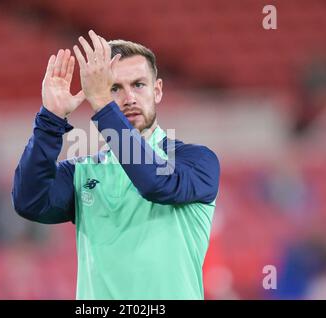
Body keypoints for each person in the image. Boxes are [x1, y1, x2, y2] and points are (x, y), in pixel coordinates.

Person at [12, 30, 220, 299]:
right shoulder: (83, 172)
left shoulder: (197, 161)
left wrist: (101, 102)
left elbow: (157, 183)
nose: (129, 98)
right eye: (114, 88)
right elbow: (29, 202)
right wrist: (50, 119)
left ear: (157, 91)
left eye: (138, 85)